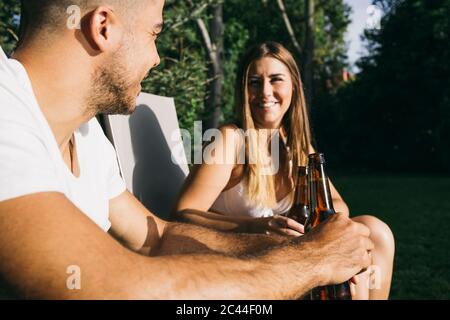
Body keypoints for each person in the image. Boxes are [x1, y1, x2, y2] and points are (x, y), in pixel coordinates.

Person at [0, 1, 374, 299]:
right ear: (103, 28)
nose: (157, 57)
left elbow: (157, 237)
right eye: (154, 33)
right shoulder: (5, 107)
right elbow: (111, 287)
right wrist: (309, 261)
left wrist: (273, 246)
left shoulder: (87, 138)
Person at [174, 42, 395, 299]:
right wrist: (257, 226)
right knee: (350, 284)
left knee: (375, 232)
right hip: (243, 261)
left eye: (275, 80)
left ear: (293, 86)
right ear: (243, 90)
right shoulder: (229, 139)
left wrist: (315, 223)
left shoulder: (295, 142)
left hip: (289, 253)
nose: (265, 92)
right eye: (254, 82)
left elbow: (337, 204)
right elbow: (181, 215)